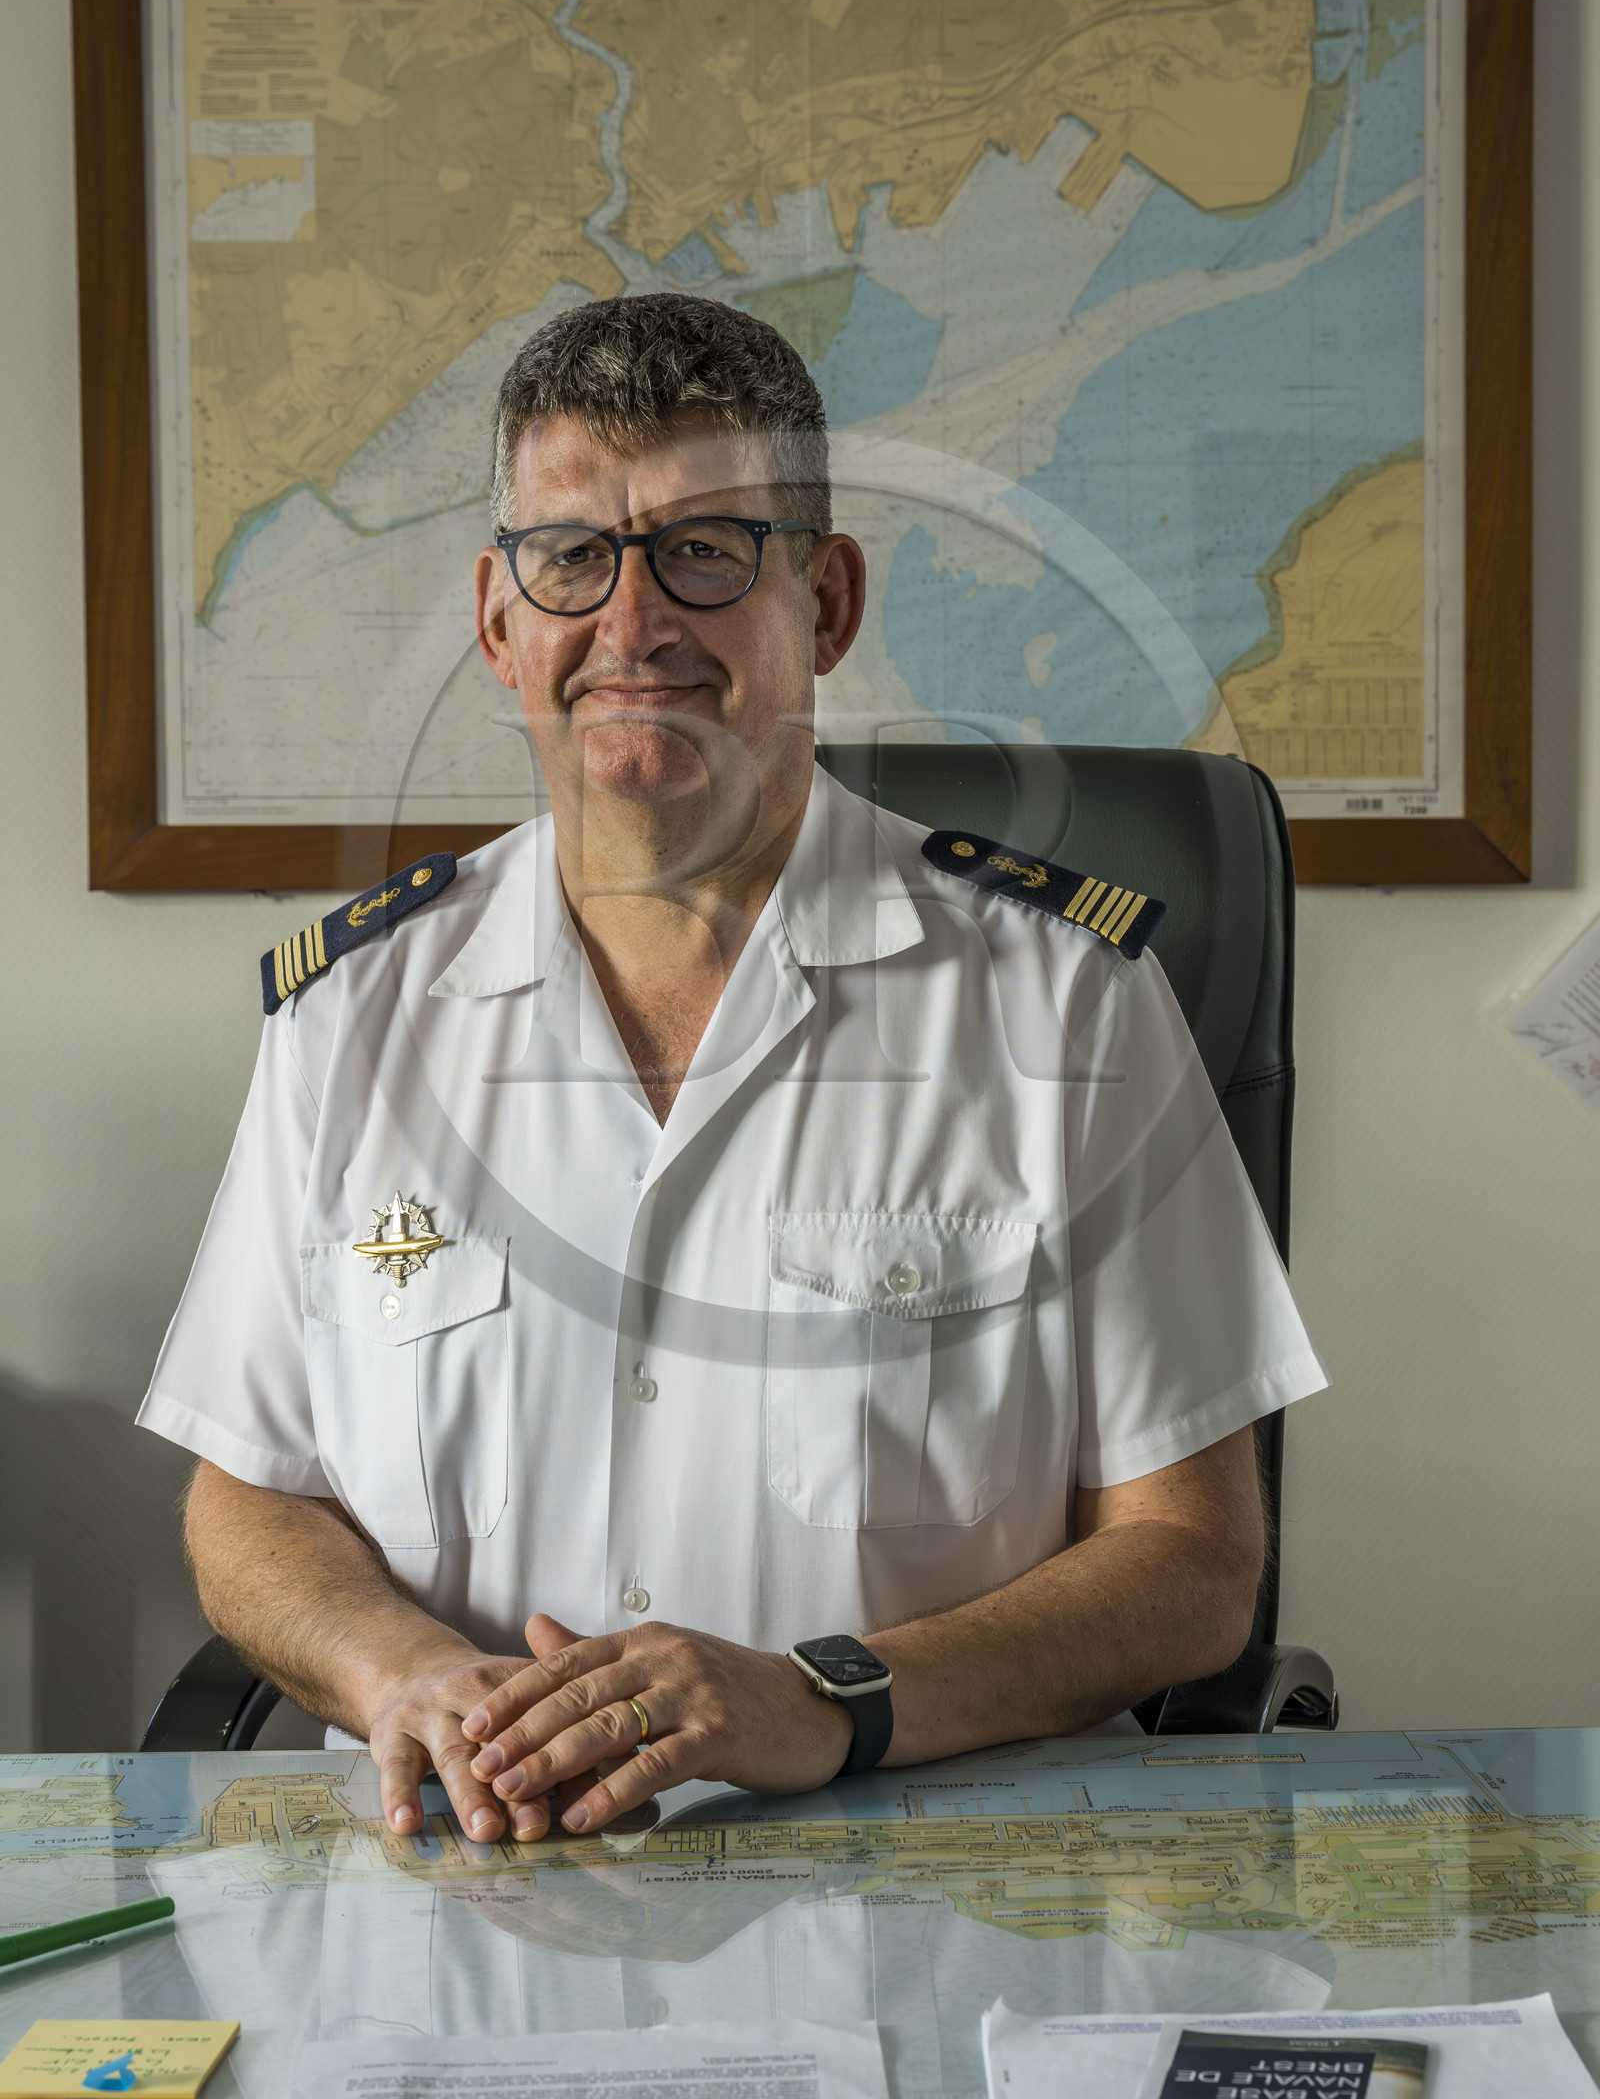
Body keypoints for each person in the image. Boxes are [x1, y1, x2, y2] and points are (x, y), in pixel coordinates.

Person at [138, 293, 1326, 1848]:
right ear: (500, 623)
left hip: (927, 1897)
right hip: (457, 1884)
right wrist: (401, 1669)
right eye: (572, 557)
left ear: (824, 604)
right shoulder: (350, 1018)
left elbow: (1192, 1564)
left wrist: (827, 1697)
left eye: (707, 553)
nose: (631, 627)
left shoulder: (1066, 1011)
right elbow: (251, 1497)